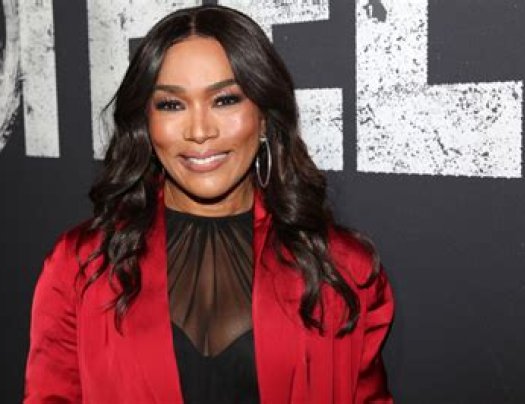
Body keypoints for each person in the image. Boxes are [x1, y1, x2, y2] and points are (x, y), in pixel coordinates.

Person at [24, 4, 394, 403]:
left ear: (264, 117)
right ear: (146, 123)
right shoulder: (79, 267)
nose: (200, 131)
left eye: (225, 100)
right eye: (171, 104)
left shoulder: (344, 271)